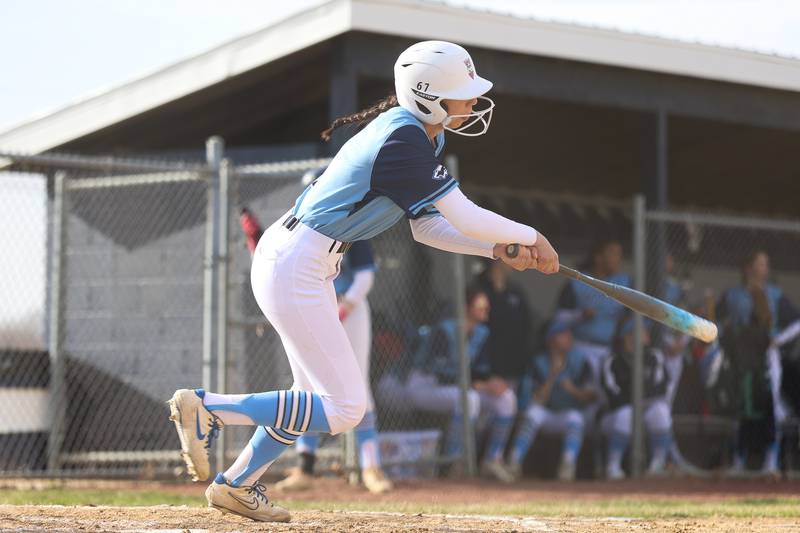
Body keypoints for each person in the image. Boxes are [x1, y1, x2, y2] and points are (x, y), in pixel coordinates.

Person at [167, 40, 559, 522]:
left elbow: (429, 226)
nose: (474, 101)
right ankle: (208, 407)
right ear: (427, 96)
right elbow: (464, 213)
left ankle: (237, 484)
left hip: (302, 260)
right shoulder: (404, 140)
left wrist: (494, 248)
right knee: (345, 408)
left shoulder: (424, 136)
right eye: (463, 92)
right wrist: (531, 235)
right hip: (299, 263)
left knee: (308, 397)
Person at [241, 209, 393, 494]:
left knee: (358, 384)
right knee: (307, 388)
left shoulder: (351, 224)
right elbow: (276, 270)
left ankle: (371, 466)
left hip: (350, 310)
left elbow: (365, 275)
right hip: (313, 310)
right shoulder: (300, 230)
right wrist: (256, 243)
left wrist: (345, 305)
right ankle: (305, 466)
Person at [717, 250, 800, 476]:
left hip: (766, 357)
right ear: (748, 268)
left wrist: (777, 341)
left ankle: (770, 462)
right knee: (741, 407)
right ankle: (738, 460)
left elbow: (796, 323)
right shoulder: (733, 295)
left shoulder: (773, 294)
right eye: (760, 264)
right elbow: (717, 322)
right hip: (740, 357)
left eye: (766, 264)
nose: (765, 269)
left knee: (770, 406)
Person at [405, 286, 498, 477]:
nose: (485, 311)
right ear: (466, 308)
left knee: (505, 400)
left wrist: (491, 382)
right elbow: (438, 372)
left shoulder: (482, 332)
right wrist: (473, 383)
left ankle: (492, 460)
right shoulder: (445, 330)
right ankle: (453, 461)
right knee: (470, 398)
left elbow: (482, 369)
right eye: (480, 307)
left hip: (457, 386)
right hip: (423, 385)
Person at [506, 317, 597, 481]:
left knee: (575, 418)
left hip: (569, 413)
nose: (569, 336)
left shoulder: (581, 360)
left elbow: (591, 397)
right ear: (551, 340)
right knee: (532, 414)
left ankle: (567, 466)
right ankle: (514, 461)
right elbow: (534, 400)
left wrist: (572, 390)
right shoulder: (538, 363)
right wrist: (552, 375)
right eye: (563, 333)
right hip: (546, 414)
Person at [601, 315, 672, 479]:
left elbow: (660, 388)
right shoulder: (613, 361)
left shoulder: (654, 357)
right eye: (642, 330)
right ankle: (613, 466)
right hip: (615, 416)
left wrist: (640, 401)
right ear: (628, 336)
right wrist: (635, 402)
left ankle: (658, 465)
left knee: (660, 411)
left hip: (646, 411)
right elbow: (612, 396)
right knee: (625, 414)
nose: (647, 333)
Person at [556, 240, 630, 382]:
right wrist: (580, 315)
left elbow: (632, 316)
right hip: (580, 349)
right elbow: (559, 318)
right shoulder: (577, 281)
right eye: (613, 254)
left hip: (610, 350)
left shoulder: (624, 283)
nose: (618, 259)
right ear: (599, 257)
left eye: (619, 254)